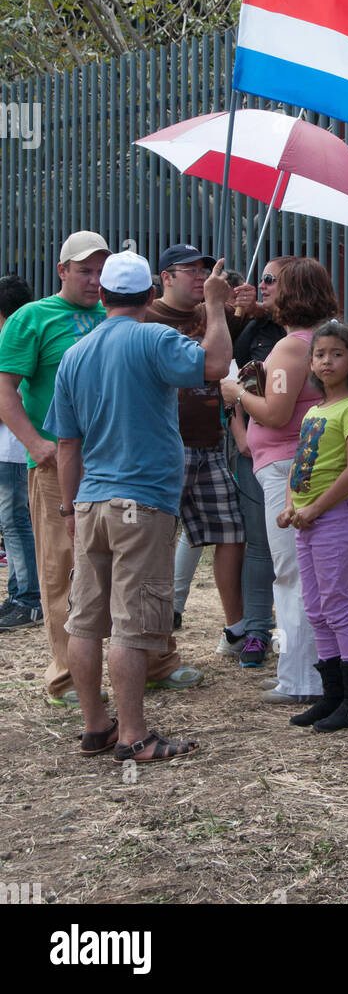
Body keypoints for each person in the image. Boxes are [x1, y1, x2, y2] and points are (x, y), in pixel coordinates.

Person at [45, 251, 233, 762]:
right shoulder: (154, 337)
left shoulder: (75, 354)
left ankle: (95, 726)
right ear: (151, 297)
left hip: (90, 504)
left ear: (102, 296)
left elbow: (67, 445)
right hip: (142, 502)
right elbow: (215, 366)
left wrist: (68, 510)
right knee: (132, 623)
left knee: (85, 621)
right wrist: (215, 307)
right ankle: (133, 735)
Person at [0, 231, 192, 702]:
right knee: (63, 568)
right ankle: (67, 676)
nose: (91, 279)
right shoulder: (33, 318)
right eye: (83, 270)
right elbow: (5, 390)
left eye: (98, 271)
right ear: (62, 271)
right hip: (60, 464)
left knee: (145, 567)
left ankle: (155, 660)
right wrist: (35, 444)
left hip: (126, 465)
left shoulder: (128, 316)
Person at [221, 258, 338, 706]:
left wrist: (237, 394)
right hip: (299, 465)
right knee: (303, 572)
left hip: (286, 468)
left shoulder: (293, 347)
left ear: (294, 291)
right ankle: (309, 671)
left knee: (291, 574)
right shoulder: (327, 339)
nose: (262, 287)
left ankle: (301, 678)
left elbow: (275, 412)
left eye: (272, 281)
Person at [146, 244, 258, 661]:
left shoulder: (209, 312)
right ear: (165, 277)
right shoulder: (147, 317)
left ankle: (236, 629)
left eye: (204, 269)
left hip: (210, 445)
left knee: (232, 533)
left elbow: (234, 333)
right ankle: (157, 639)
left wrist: (245, 305)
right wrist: (217, 305)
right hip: (163, 448)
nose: (200, 276)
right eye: (188, 270)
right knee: (154, 544)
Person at [278, 320, 348, 732]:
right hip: (306, 521)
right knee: (316, 609)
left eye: (336, 353)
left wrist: (315, 508)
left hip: (333, 519)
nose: (327, 361)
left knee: (338, 606)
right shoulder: (314, 412)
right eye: (320, 354)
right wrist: (289, 506)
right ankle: (332, 694)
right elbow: (298, 465)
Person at [223, 255, 292, 666]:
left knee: (296, 554)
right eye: (261, 278)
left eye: (271, 280)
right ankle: (255, 631)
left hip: (299, 456)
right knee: (260, 545)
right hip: (255, 452)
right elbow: (230, 382)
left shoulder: (313, 334)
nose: (261, 285)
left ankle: (293, 641)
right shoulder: (250, 328)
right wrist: (240, 435)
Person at [0, 274, 42, 630]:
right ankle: (19, 591)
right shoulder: (22, 331)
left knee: (16, 523)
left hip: (15, 449)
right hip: (13, 447)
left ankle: (28, 598)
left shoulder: (17, 335)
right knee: (13, 523)